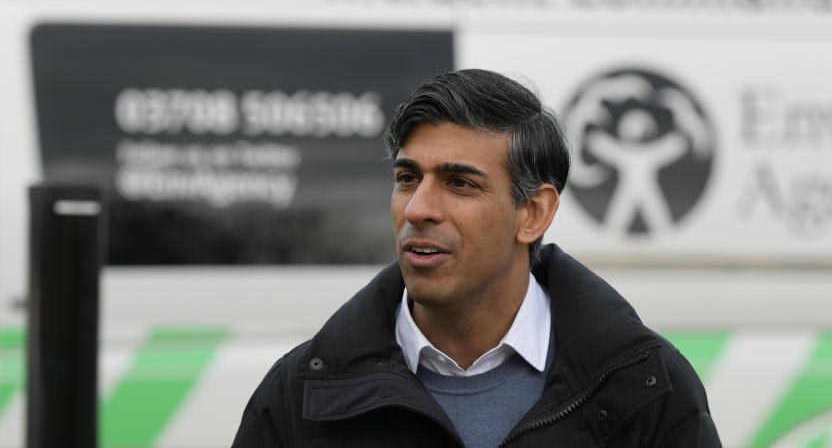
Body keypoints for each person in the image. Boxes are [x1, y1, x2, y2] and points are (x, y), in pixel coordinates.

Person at [231, 69, 721, 447]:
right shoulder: (300, 394)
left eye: (459, 183)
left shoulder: (648, 386)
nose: (418, 208)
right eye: (407, 178)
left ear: (533, 212)